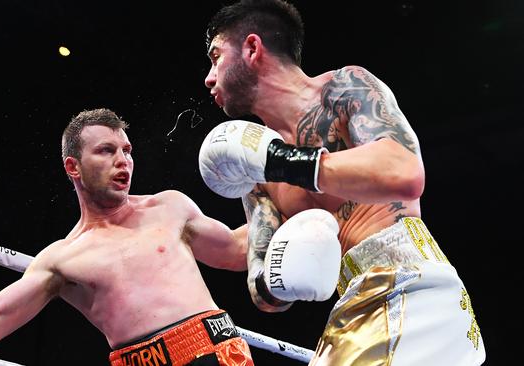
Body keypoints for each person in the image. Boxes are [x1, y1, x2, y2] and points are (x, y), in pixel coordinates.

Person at [197, 0, 486, 365]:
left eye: (215, 56)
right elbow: (261, 284)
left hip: (412, 287)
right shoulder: (258, 175)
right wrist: (279, 279)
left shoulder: (342, 89)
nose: (209, 77)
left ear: (252, 48)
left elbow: (403, 173)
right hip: (353, 303)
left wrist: (283, 162)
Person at [0, 108, 255, 366]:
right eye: (106, 151)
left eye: (126, 150)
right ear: (73, 166)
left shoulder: (170, 207)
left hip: (218, 349)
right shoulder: (62, 258)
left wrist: (261, 180)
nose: (122, 160)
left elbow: (239, 252)